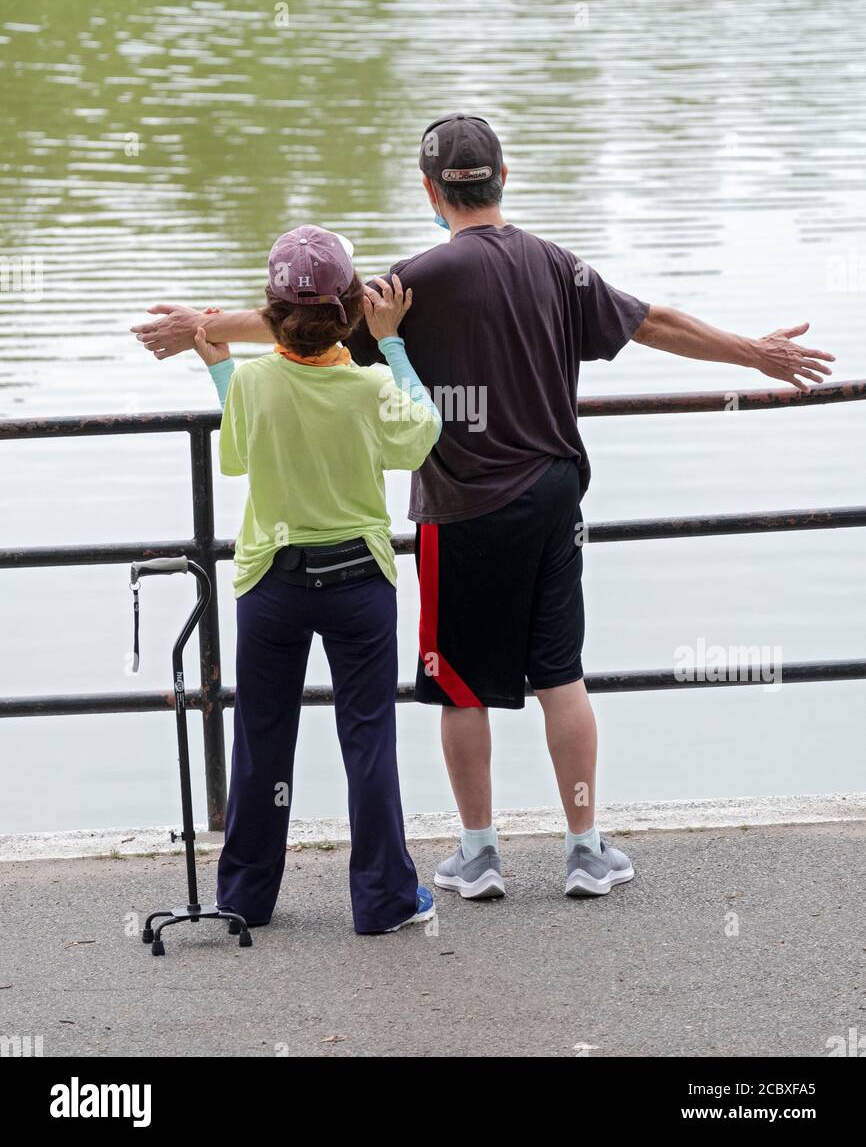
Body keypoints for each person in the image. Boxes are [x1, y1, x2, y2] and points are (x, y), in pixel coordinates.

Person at [133, 114, 835, 902]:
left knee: (459, 683)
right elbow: (655, 323)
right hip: (553, 494)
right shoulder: (558, 267)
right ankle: (584, 850)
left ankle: (479, 854)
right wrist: (757, 352)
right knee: (561, 675)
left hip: (461, 507)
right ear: (504, 176)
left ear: (432, 190)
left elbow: (311, 316)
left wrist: (198, 327)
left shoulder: (413, 283)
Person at [179, 224, 442, 934]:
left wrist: (222, 366)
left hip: (272, 582)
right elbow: (422, 432)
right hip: (359, 578)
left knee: (263, 739)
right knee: (369, 740)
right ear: (351, 310)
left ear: (271, 313)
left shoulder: (255, 382)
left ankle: (245, 897)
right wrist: (392, 344)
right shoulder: (370, 386)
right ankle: (385, 899)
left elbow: (237, 456)